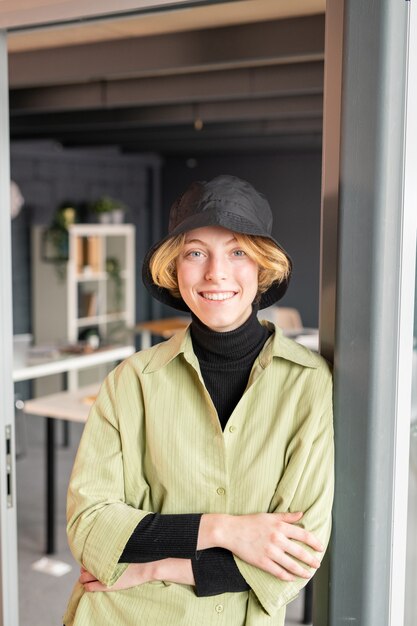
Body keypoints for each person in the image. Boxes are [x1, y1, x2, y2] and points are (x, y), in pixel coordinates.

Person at [63, 175, 334, 626]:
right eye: (195, 253)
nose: (215, 273)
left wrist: (155, 564)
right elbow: (91, 528)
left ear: (262, 268)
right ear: (174, 269)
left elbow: (296, 556)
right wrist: (226, 530)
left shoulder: (307, 383)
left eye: (237, 252)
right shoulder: (130, 382)